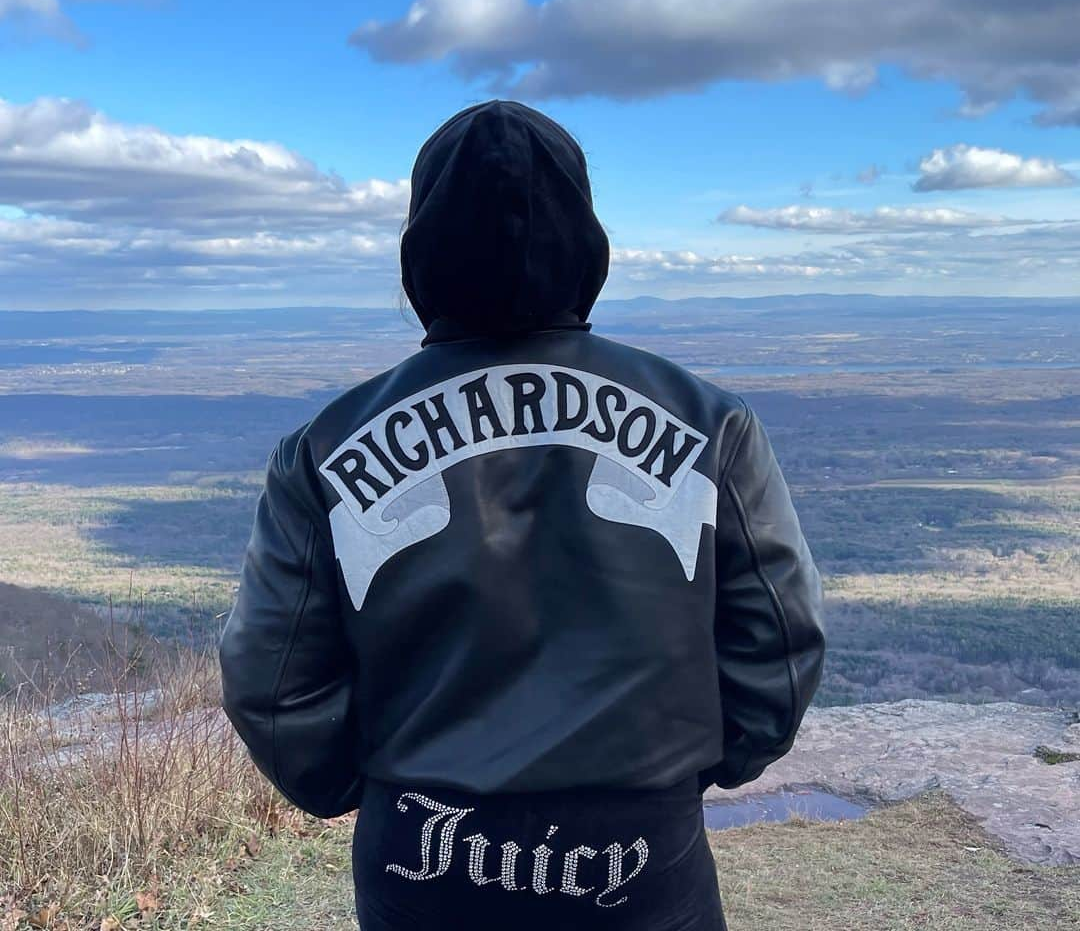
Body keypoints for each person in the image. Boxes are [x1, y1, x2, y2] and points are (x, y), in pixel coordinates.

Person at [219, 100, 826, 930]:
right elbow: (781, 646)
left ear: (420, 253)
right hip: (641, 867)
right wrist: (696, 772)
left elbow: (272, 681)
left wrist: (358, 787)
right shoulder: (712, 423)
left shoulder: (324, 448)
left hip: (420, 867)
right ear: (588, 244)